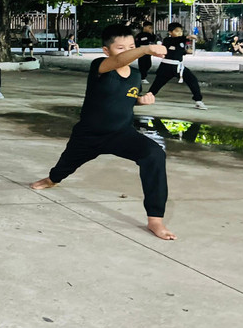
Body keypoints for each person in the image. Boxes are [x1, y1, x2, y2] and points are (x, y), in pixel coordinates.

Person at [30, 24, 176, 240]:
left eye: (131, 46)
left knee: (154, 154)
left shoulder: (135, 75)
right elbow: (118, 62)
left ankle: (155, 219)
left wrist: (141, 101)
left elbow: (122, 98)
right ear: (107, 51)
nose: (127, 52)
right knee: (62, 169)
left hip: (121, 134)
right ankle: (52, 180)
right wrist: (145, 49)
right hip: (88, 135)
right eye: (120, 48)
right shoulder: (100, 66)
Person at [148, 23, 206, 110]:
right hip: (166, 66)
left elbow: (177, 50)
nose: (180, 33)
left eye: (181, 31)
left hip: (178, 67)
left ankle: (198, 100)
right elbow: (175, 42)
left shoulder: (181, 41)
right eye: (177, 31)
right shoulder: (167, 40)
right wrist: (187, 37)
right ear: (170, 32)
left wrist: (186, 52)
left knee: (192, 80)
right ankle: (148, 97)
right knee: (157, 84)